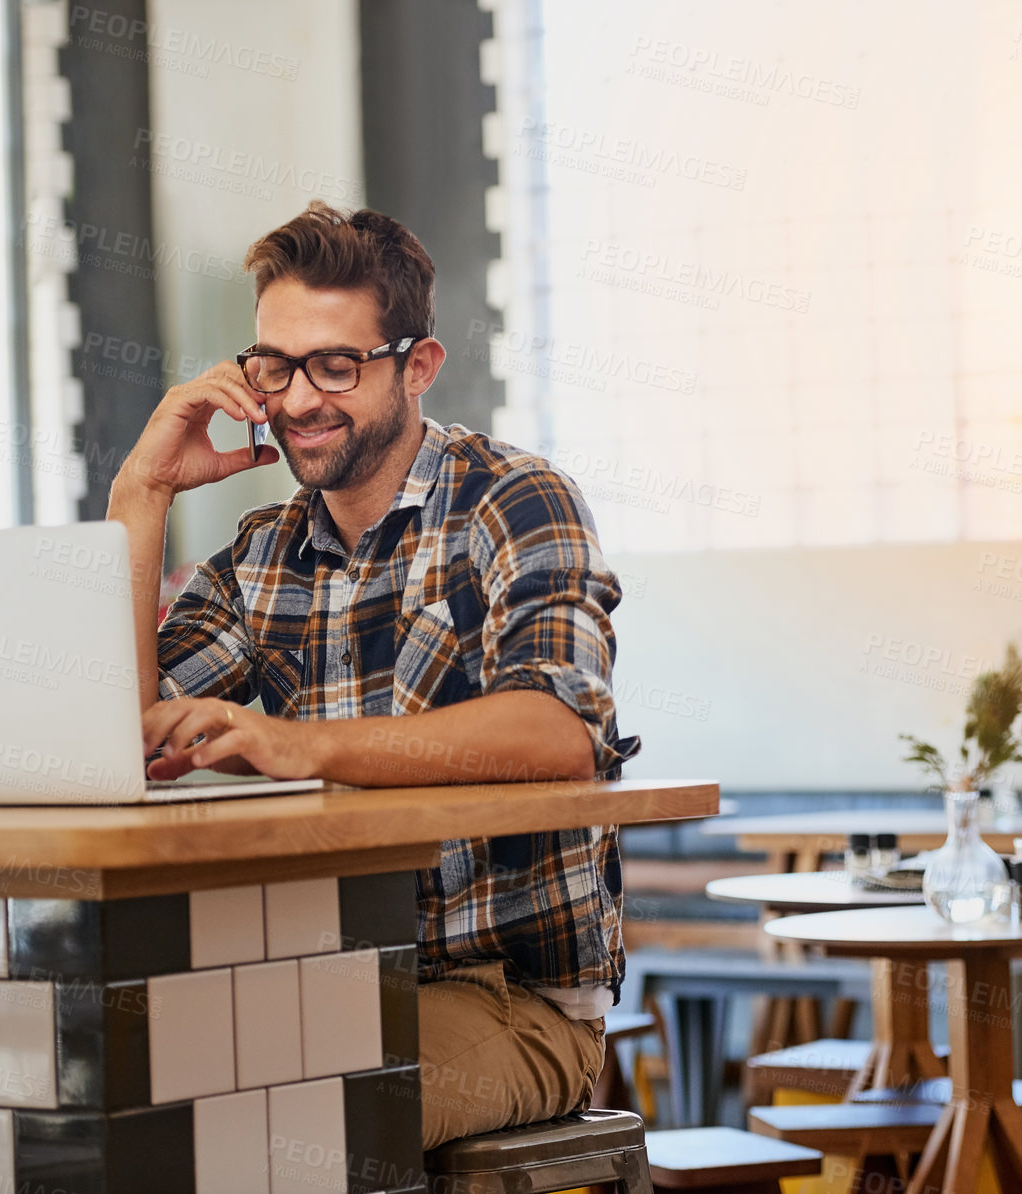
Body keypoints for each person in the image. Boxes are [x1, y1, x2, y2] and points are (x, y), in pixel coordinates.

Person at [107, 199, 641, 1149]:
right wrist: (139, 491)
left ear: (418, 366)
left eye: (337, 365)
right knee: (116, 1097)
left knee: (282, 1115)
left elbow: (557, 733)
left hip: (513, 1002)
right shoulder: (262, 553)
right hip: (320, 979)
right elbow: (118, 728)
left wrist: (298, 746)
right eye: (275, 366)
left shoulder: (515, 500)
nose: (300, 398)